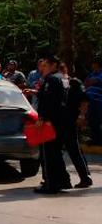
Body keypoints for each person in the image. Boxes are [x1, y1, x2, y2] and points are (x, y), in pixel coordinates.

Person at [34, 55, 72, 194]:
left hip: (51, 121)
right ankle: (64, 181)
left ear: (53, 65)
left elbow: (49, 101)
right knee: (56, 153)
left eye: (45, 65)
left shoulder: (51, 79)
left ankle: (51, 184)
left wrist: (42, 117)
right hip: (62, 120)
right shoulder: (63, 77)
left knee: (49, 154)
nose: (42, 68)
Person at [59, 63, 92, 188]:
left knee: (74, 150)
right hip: (61, 121)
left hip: (70, 121)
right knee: (68, 150)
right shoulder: (57, 83)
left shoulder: (74, 83)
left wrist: (81, 116)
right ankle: (66, 179)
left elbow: (84, 100)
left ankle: (84, 178)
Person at [84, 57, 102, 145]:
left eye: (94, 63)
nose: (92, 65)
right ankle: (95, 139)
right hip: (90, 100)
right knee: (91, 120)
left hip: (99, 100)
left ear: (97, 64)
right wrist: (91, 82)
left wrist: (91, 82)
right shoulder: (91, 74)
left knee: (98, 119)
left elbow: (94, 81)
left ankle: (99, 140)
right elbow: (86, 83)